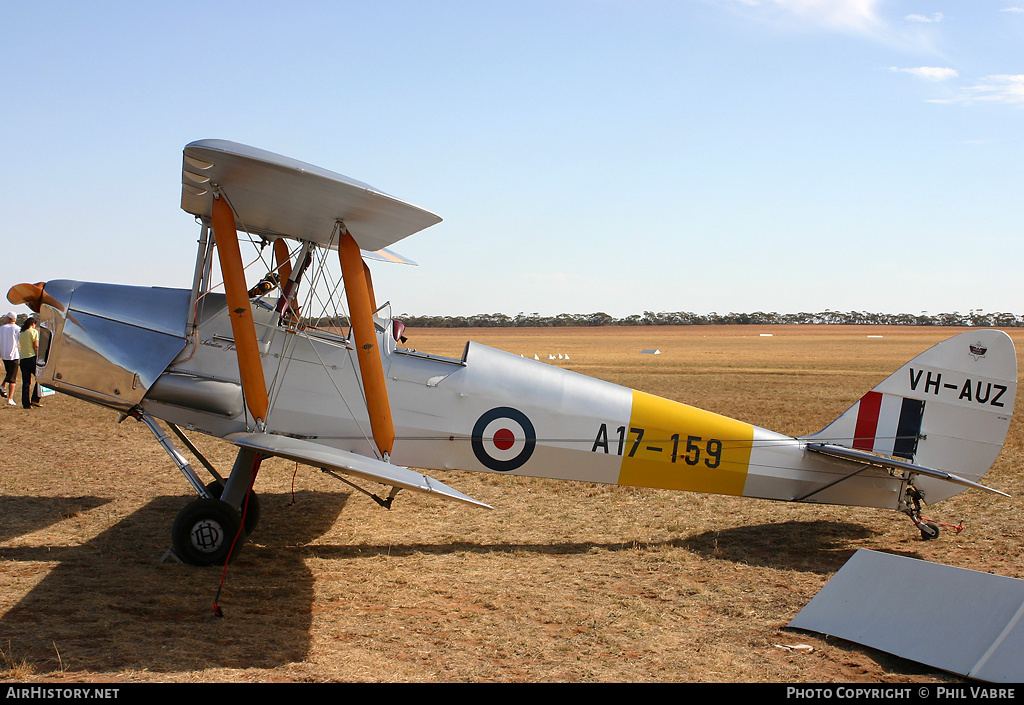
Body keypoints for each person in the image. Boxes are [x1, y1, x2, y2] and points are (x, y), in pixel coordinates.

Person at [19, 317, 41, 410]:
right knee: (40, 378)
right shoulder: (34, 332)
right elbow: (36, 346)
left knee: (26, 382)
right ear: (32, 324)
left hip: (23, 359)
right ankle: (35, 399)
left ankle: (26, 404)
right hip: (32, 357)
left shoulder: (22, 333)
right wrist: (38, 357)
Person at [0, 312, 19, 406]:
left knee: (9, 373)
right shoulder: (17, 328)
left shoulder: (2, 328)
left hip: (4, 354)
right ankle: (10, 398)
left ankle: (2, 386)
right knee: (13, 378)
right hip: (14, 354)